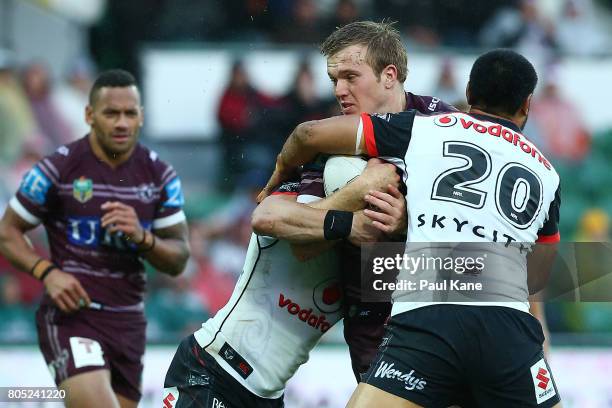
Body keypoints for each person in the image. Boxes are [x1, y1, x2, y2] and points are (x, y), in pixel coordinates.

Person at [260, 49, 562, 408]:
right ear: (527, 105)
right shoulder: (547, 173)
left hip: (428, 318)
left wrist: (278, 173)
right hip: (508, 328)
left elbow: (308, 134)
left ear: (467, 93)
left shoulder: (422, 128)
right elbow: (536, 277)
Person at [255, 20, 457, 381]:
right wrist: (354, 200)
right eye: (334, 79)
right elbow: (302, 243)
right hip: (371, 320)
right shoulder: (330, 140)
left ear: (389, 75)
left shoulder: (443, 125)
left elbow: (480, 232)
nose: (339, 90)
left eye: (350, 76)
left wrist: (406, 221)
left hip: (439, 309)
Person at [0, 69, 190, 408]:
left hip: (128, 322)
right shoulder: (57, 168)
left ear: (141, 117)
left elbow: (178, 259)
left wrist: (143, 238)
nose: (121, 123)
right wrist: (48, 273)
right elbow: (7, 232)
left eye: (129, 113)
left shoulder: (160, 176)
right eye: (111, 113)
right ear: (89, 115)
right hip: (73, 316)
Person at [163, 160, 401, 407]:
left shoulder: (369, 258)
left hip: (269, 397)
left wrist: (402, 225)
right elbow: (265, 219)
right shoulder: (295, 201)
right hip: (213, 370)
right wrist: (352, 211)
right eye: (367, 198)